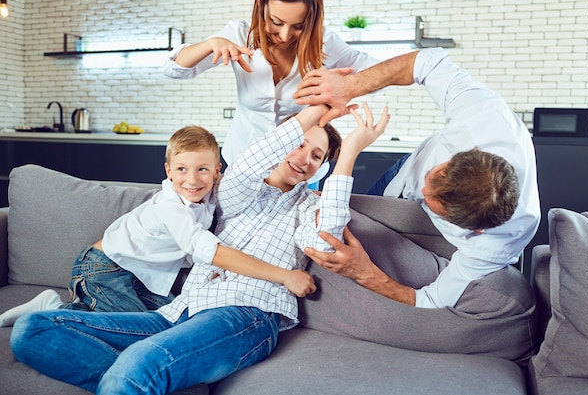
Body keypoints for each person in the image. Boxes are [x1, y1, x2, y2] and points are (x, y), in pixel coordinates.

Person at [10, 103, 390, 394]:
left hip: (246, 313)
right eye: (300, 144)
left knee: (141, 364)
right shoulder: (236, 191)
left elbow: (324, 237)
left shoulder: (311, 206)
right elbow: (253, 161)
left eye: (317, 155)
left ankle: (143, 381)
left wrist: (352, 151)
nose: (304, 158)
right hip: (179, 311)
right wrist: (318, 110)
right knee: (33, 329)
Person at [294, 47, 541, 309]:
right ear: (466, 154)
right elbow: (427, 62)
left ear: (475, 230)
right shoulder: (483, 119)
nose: (423, 189)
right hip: (401, 175)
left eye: (434, 200)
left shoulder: (493, 245)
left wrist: (363, 272)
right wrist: (351, 85)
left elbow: (430, 299)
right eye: (435, 175)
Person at [0, 125, 315, 327]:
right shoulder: (170, 205)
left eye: (203, 169)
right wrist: (284, 276)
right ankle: (51, 313)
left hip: (140, 275)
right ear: (168, 170)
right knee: (141, 327)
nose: (192, 180)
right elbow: (205, 248)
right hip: (105, 267)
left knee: (178, 315)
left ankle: (59, 305)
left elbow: (244, 185)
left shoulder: (212, 196)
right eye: (182, 169)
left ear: (218, 170)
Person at [162, 0, 379, 173]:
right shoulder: (240, 34)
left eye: (298, 26)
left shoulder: (325, 43)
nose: (285, 35)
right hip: (241, 163)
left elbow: (376, 69)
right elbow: (174, 69)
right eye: (276, 22)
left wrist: (345, 86)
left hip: (297, 168)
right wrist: (210, 45)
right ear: (261, 6)